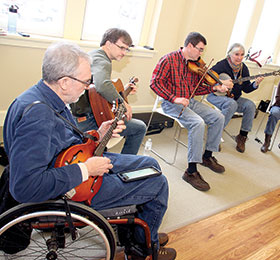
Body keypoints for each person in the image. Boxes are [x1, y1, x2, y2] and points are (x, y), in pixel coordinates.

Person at [3, 42, 176, 260]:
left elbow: (62, 141)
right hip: (68, 187)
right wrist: (85, 169)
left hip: (71, 161)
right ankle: (142, 247)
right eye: (86, 81)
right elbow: (25, 187)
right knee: (158, 183)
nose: (88, 87)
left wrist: (97, 134)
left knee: (150, 165)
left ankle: (137, 233)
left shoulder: (43, 96)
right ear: (64, 82)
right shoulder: (38, 118)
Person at [150, 32, 232, 192]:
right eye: (200, 50)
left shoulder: (196, 65)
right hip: (171, 103)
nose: (201, 54)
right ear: (189, 46)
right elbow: (155, 83)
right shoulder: (169, 60)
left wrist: (215, 87)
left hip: (191, 101)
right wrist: (174, 98)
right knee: (198, 123)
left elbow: (199, 87)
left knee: (218, 117)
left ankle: (207, 157)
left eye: (202, 51)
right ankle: (191, 171)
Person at [71, 28, 146, 155]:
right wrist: (123, 103)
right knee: (140, 128)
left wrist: (122, 91)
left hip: (79, 116)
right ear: (108, 43)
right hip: (89, 121)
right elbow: (102, 85)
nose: (124, 53)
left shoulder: (93, 55)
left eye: (126, 49)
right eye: (121, 47)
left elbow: (96, 90)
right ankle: (126, 164)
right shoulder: (103, 61)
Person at [206, 43, 264, 153]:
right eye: (236, 54)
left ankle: (242, 137)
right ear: (229, 54)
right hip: (215, 95)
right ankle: (215, 136)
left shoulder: (243, 68)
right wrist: (222, 83)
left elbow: (246, 88)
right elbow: (207, 78)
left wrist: (255, 84)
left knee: (250, 105)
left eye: (242, 55)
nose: (239, 57)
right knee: (232, 104)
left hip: (233, 98)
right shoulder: (222, 65)